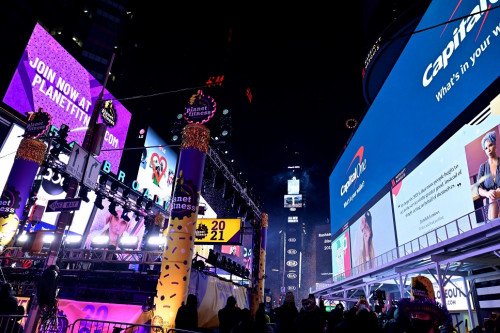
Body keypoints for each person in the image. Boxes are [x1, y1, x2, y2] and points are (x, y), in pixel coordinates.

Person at [477, 131, 500, 220]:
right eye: (486, 148)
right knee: (492, 196)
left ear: (495, 144)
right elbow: (478, 189)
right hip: (490, 201)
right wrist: (487, 193)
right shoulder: (483, 167)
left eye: (490, 145)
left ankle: (493, 227)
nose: (488, 150)